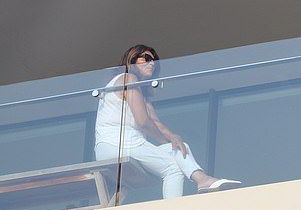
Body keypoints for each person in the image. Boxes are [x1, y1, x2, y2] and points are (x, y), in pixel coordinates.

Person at [95, 45, 241, 198]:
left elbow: (155, 122)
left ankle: (202, 179)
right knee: (173, 168)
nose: (152, 63)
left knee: (181, 146)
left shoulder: (141, 94)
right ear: (132, 60)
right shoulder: (128, 78)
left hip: (124, 145)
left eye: (154, 61)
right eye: (147, 58)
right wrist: (165, 140)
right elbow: (143, 122)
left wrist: (173, 138)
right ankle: (175, 206)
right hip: (117, 144)